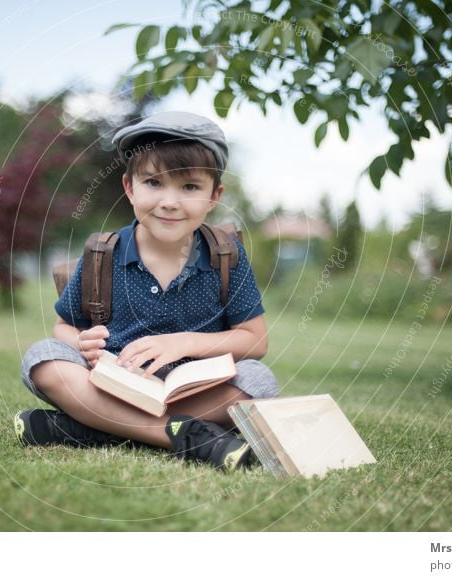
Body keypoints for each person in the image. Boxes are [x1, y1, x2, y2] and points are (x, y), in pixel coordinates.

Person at [14, 111, 279, 471]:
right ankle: (189, 437)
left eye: (190, 187)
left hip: (194, 391)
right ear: (130, 187)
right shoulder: (102, 254)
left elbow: (254, 341)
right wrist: (81, 342)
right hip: (112, 385)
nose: (170, 201)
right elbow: (63, 327)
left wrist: (184, 342)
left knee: (258, 381)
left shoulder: (226, 255)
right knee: (43, 358)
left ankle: (94, 428)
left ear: (214, 196)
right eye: (154, 183)